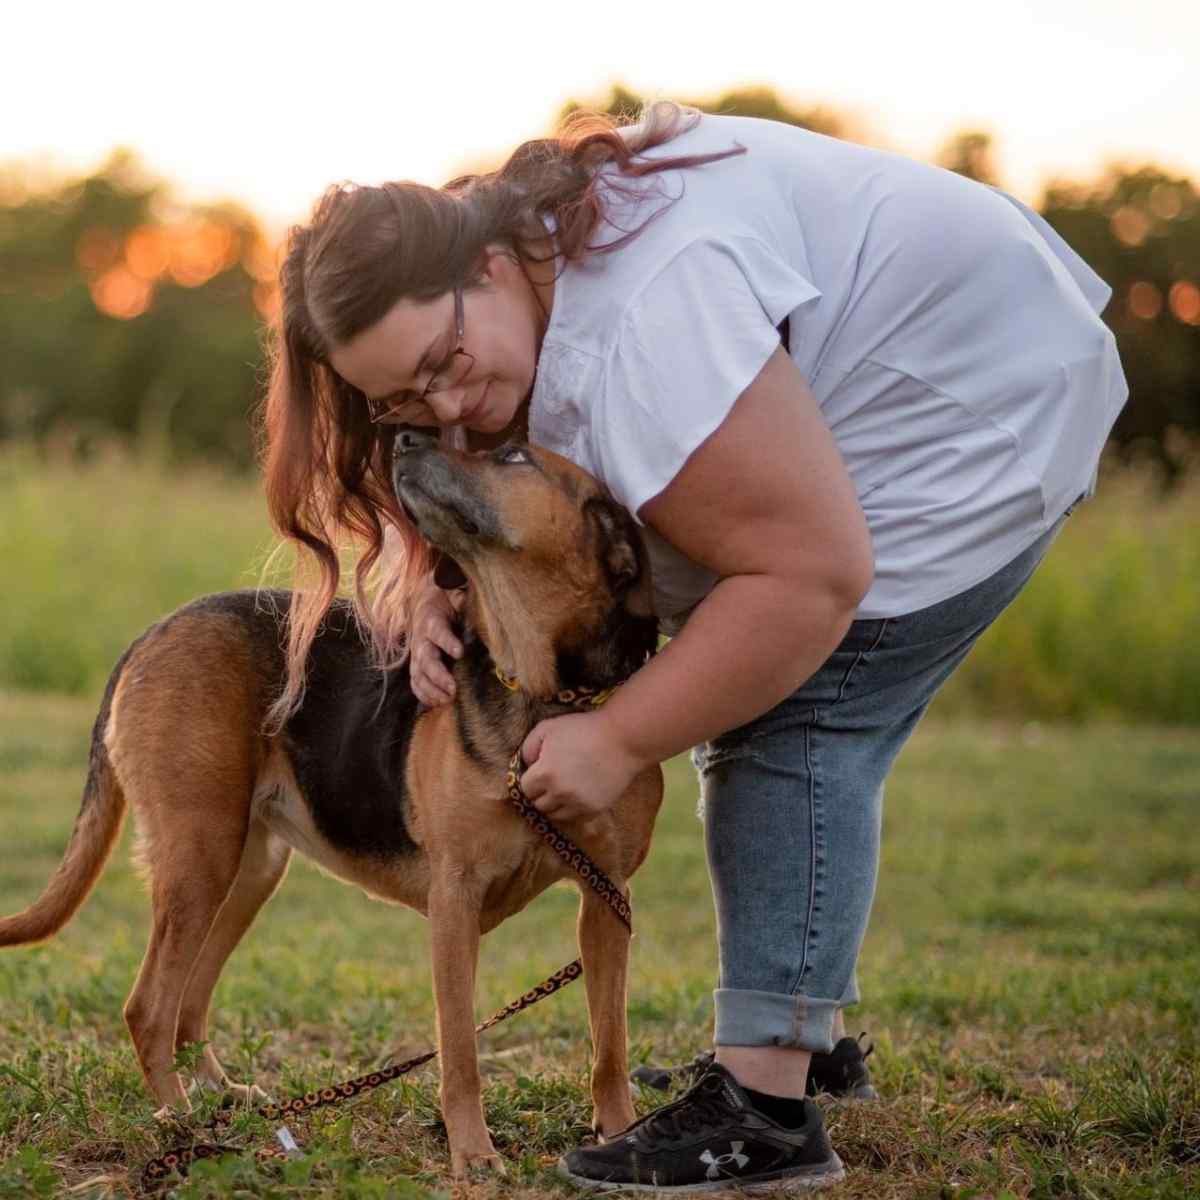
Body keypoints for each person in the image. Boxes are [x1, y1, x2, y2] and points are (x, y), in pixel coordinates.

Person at [261, 102, 1127, 1191]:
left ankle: (766, 1109)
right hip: (950, 366)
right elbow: (510, 478)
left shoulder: (645, 315)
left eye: (445, 362)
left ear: (487, 267)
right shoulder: (512, 260)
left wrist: (620, 736)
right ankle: (806, 1041)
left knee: (791, 713)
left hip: (974, 404)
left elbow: (810, 576)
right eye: (404, 401)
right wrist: (432, 572)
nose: (448, 413)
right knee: (745, 671)